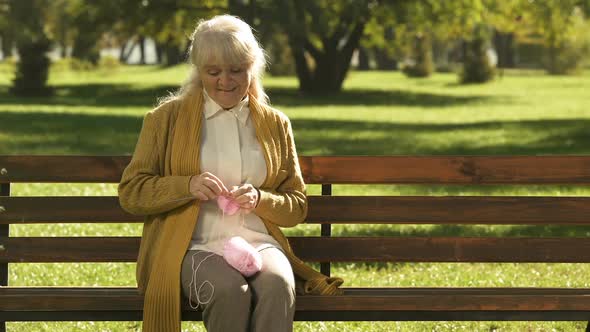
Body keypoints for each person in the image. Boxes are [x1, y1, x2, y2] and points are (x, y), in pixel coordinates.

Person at [118, 15, 343, 332]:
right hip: (193, 247)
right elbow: (132, 192)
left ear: (253, 67)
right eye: (213, 72)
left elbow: (297, 206)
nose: (226, 80)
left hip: (260, 243)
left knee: (278, 285)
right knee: (229, 291)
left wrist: (260, 199)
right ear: (199, 71)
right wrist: (187, 185)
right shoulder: (164, 119)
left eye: (236, 70)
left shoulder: (275, 124)